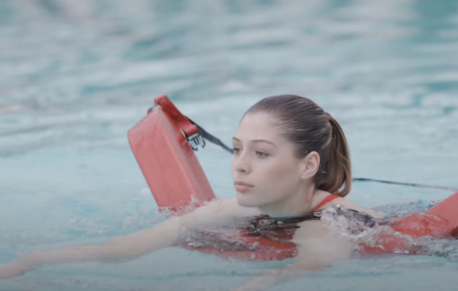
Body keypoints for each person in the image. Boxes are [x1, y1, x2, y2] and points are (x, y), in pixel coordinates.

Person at [0, 94, 384, 291]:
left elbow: (284, 278)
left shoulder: (332, 227)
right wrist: (30, 261)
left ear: (307, 166)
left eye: (261, 153)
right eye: (236, 148)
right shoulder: (231, 209)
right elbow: (121, 248)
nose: (240, 164)